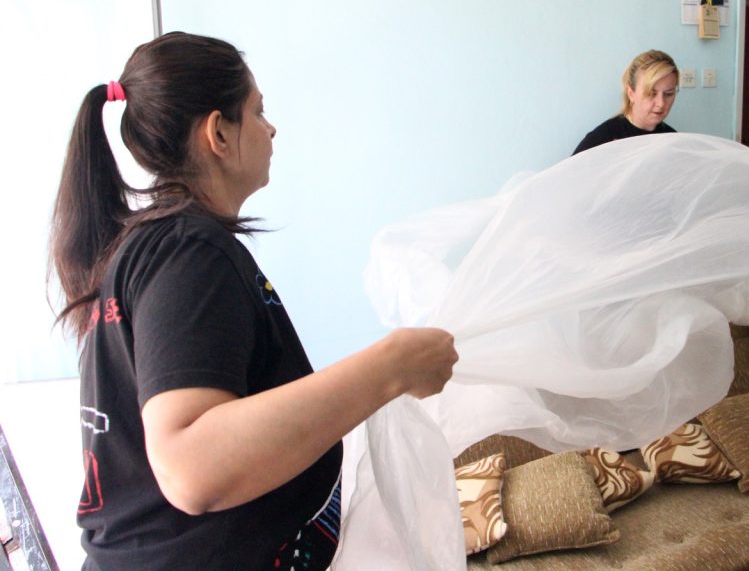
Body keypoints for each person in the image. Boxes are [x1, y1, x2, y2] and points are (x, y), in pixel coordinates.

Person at [49, 32, 458, 570]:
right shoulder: (187, 252)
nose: (271, 128)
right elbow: (190, 467)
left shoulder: (162, 247)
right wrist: (391, 366)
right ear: (218, 133)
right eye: (258, 111)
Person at [573, 50, 679, 155]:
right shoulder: (603, 139)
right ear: (631, 93)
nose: (661, 103)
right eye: (651, 93)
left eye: (669, 94)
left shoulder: (674, 141)